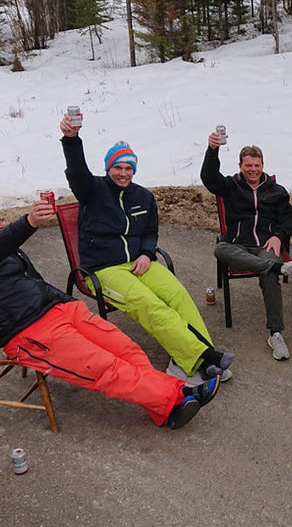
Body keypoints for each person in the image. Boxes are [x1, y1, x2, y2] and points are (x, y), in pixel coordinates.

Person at [0, 200, 219, 428]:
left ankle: (165, 408)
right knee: (105, 367)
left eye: (0, 220)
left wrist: (65, 301)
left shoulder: (5, 250)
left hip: (59, 309)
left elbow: (34, 279)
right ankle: (180, 394)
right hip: (29, 331)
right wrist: (26, 222)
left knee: (126, 349)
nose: (0, 225)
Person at [59, 113, 233, 384]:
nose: (123, 173)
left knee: (177, 294)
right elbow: (77, 171)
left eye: (128, 168)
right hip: (103, 270)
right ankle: (201, 360)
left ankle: (195, 357)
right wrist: (72, 139)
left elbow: (150, 232)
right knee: (150, 305)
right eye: (118, 167)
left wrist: (146, 253)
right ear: (108, 168)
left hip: (139, 263)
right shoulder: (91, 190)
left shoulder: (143, 196)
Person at [200, 132, 292, 361]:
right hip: (238, 245)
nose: (253, 170)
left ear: (262, 166)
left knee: (268, 274)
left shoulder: (276, 191)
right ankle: (281, 268)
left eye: (256, 165)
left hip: (266, 245)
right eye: (248, 165)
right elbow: (208, 178)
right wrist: (212, 150)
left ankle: (276, 334)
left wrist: (279, 236)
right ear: (240, 166)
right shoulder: (230, 186)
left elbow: (289, 221)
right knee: (220, 249)